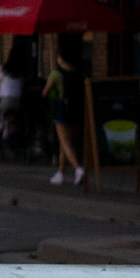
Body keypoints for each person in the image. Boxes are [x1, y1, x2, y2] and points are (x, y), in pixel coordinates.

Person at [44, 45, 86, 184]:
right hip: (75, 110)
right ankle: (60, 173)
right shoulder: (76, 73)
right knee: (66, 143)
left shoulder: (56, 73)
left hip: (62, 108)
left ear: (60, 59)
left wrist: (54, 94)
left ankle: (78, 168)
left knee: (65, 142)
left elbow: (45, 92)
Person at [0, 54, 26, 155]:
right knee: (14, 117)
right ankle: (10, 133)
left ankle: (3, 131)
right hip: (16, 101)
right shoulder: (21, 71)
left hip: (4, 100)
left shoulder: (4, 69)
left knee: (3, 115)